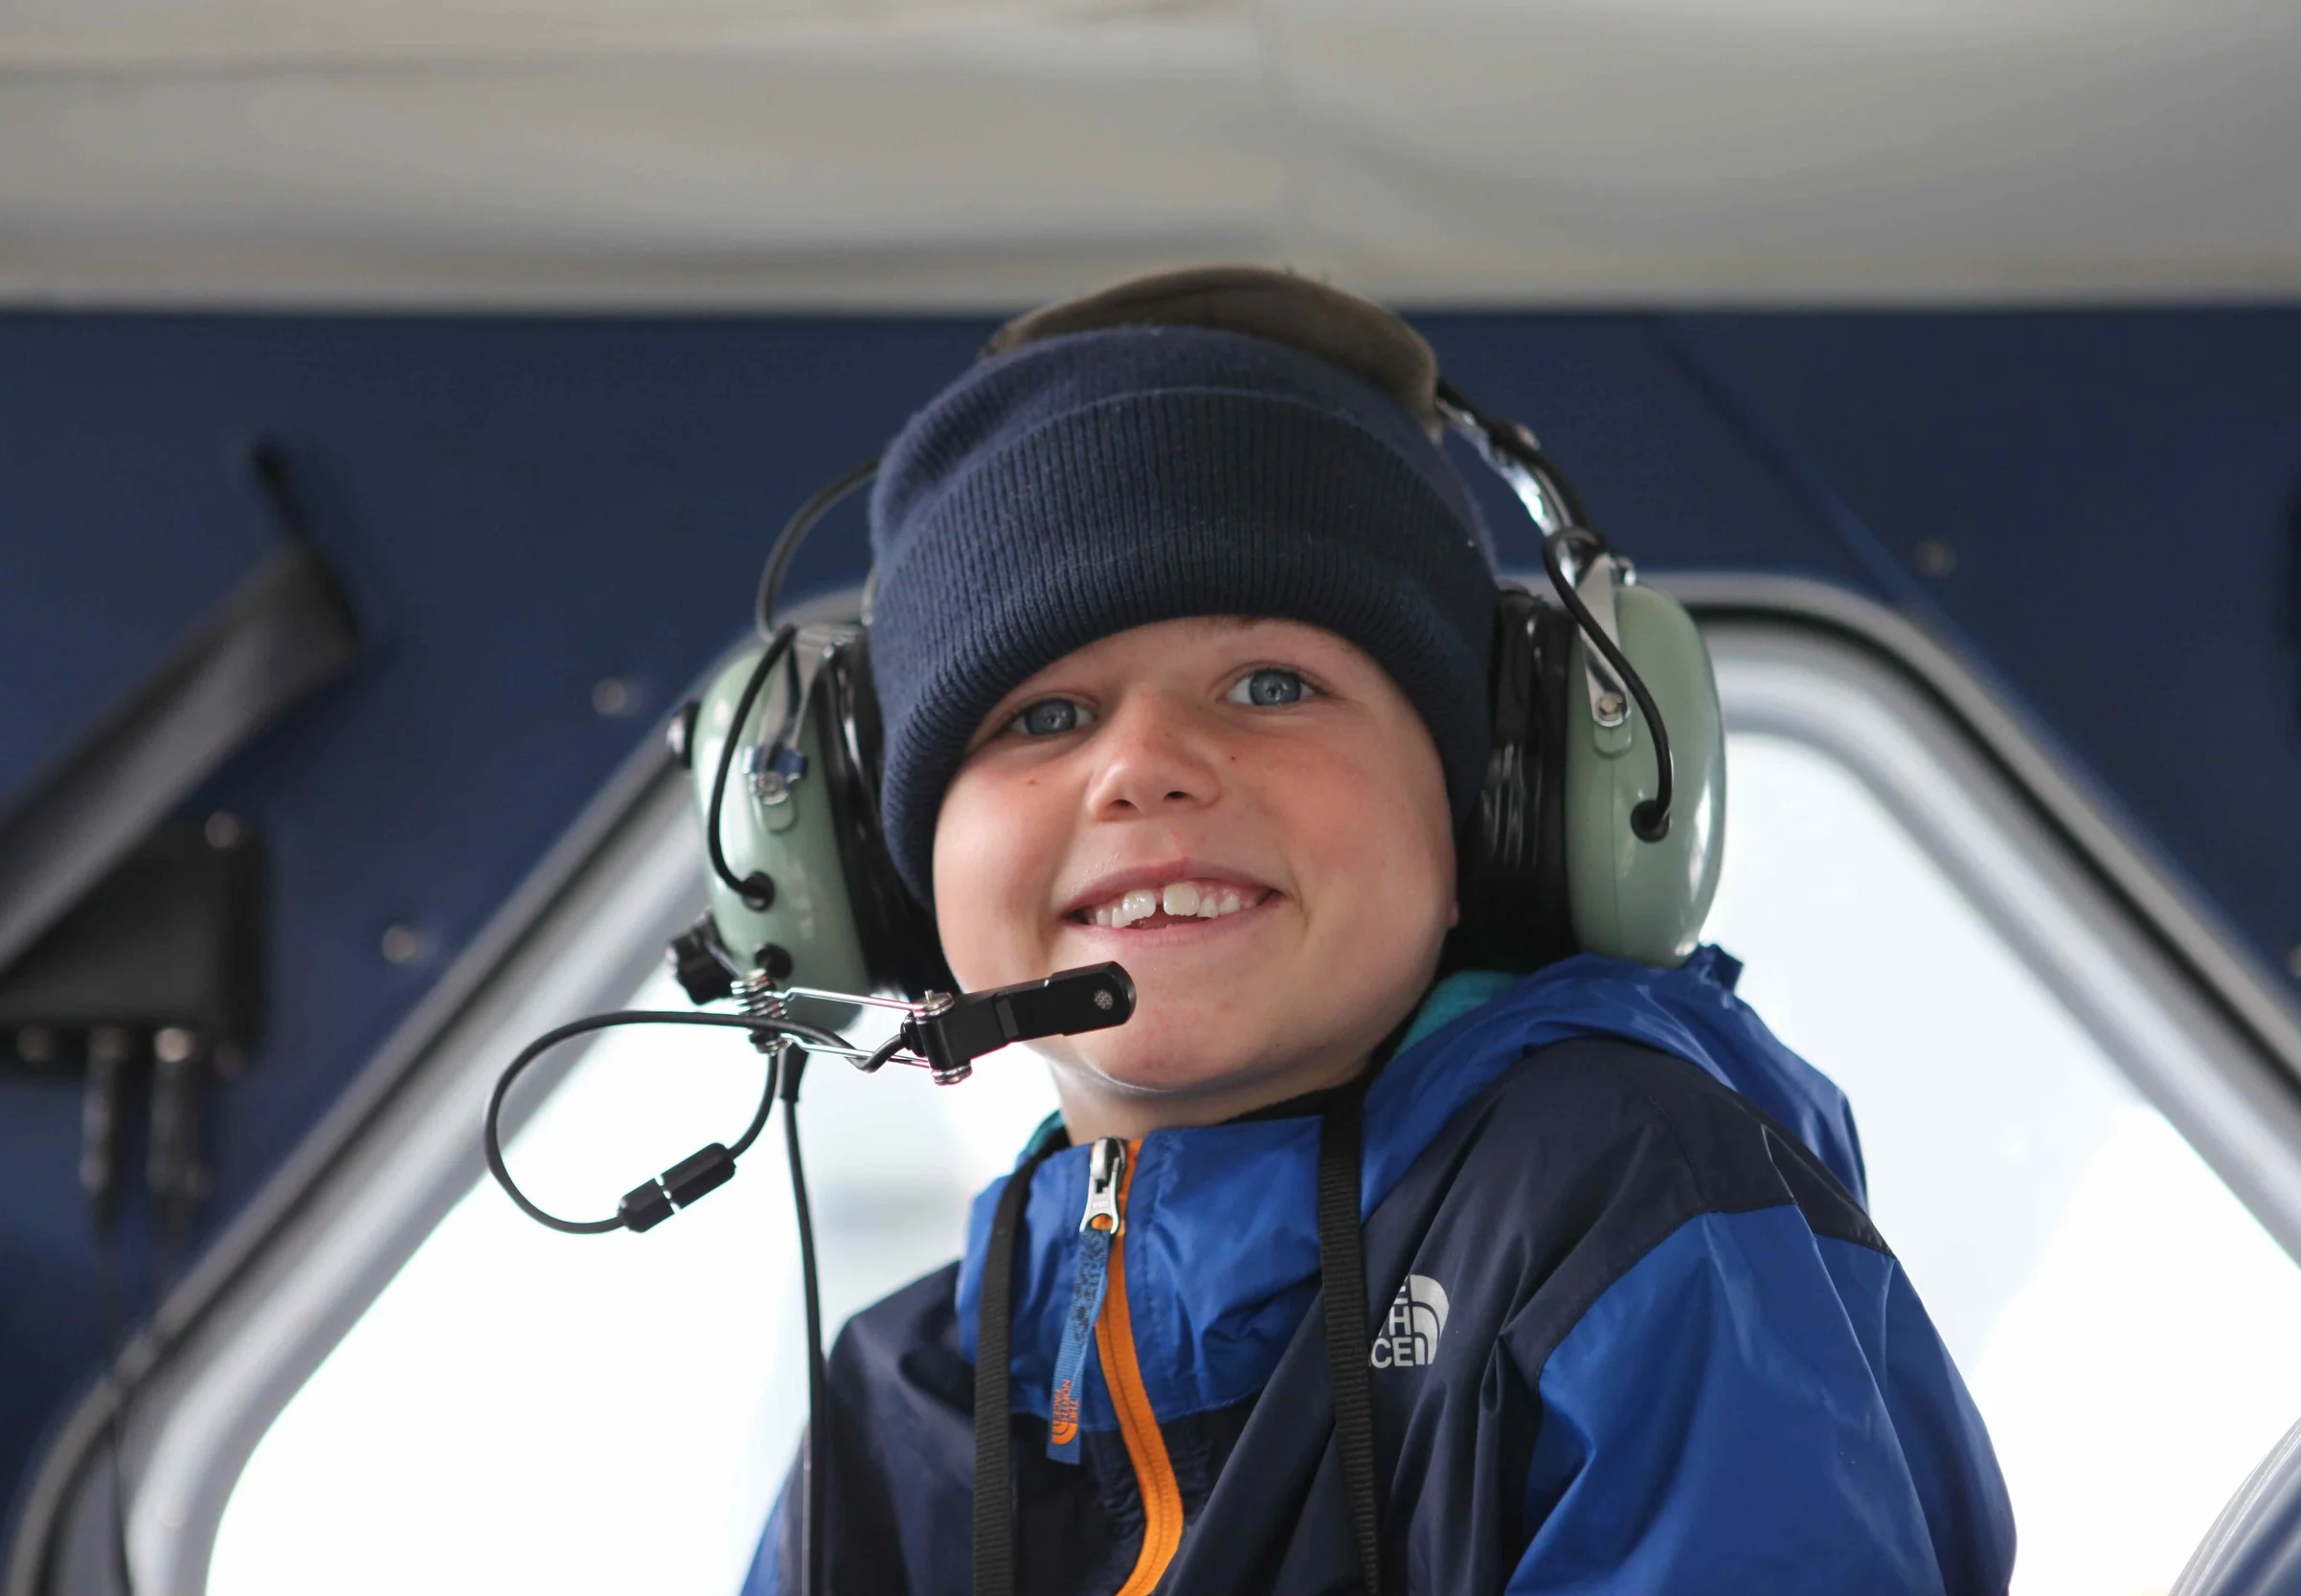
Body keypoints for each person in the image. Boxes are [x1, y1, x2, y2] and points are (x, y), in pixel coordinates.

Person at [741, 269, 2015, 1594]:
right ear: (891, 877)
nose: (1145, 767)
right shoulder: (890, 1410)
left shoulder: (1622, 1205)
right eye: (1044, 717)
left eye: (1270, 685)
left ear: (1493, 818)